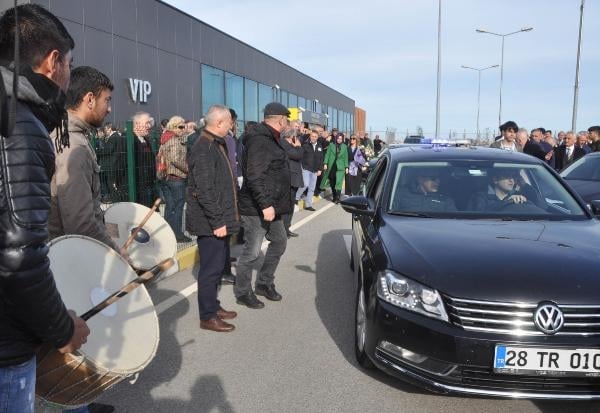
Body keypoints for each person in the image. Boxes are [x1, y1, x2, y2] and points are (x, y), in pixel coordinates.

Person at [0, 4, 90, 413]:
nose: (69, 74)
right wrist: (62, 329)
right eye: (69, 64)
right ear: (53, 62)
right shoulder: (18, 126)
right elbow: (19, 256)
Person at [186, 105, 239, 332]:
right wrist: (217, 222)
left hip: (218, 219)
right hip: (210, 223)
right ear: (218, 123)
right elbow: (204, 190)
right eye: (229, 122)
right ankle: (207, 316)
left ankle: (214, 306)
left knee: (217, 267)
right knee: (210, 270)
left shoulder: (214, 143)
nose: (232, 125)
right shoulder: (204, 147)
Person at [235, 102, 291, 308]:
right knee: (251, 252)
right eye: (287, 118)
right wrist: (266, 205)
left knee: (279, 241)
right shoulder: (260, 140)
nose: (288, 122)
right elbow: (254, 175)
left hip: (272, 206)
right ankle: (242, 292)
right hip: (257, 207)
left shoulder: (272, 139)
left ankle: (264, 283)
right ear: (281, 119)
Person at [158, 115, 190, 242]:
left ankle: (167, 233)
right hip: (176, 177)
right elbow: (176, 160)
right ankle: (177, 234)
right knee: (177, 207)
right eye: (181, 127)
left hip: (167, 177)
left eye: (184, 126)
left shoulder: (165, 138)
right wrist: (188, 169)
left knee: (170, 206)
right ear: (174, 127)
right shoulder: (175, 140)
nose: (183, 129)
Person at [392, 168, 456, 212]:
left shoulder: (445, 199)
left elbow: (454, 220)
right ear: (420, 179)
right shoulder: (400, 194)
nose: (437, 181)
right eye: (433, 178)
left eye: (439, 178)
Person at [280, 127, 304, 238]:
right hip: (289, 180)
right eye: (295, 136)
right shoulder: (284, 144)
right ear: (292, 137)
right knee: (287, 206)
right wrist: (298, 146)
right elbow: (297, 155)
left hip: (292, 179)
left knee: (290, 206)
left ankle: (286, 228)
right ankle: (283, 230)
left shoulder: (288, 145)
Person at [132, 111, 156, 207]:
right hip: (136, 188)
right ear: (137, 124)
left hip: (148, 186)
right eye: (146, 123)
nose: (149, 126)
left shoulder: (146, 140)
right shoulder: (128, 140)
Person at [295, 129, 323, 211]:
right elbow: (300, 155)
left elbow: (321, 158)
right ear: (310, 137)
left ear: (317, 137)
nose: (314, 138)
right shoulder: (305, 145)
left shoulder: (319, 146)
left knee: (311, 188)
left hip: (315, 170)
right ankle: (296, 198)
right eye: (312, 136)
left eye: (315, 136)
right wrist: (301, 166)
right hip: (306, 168)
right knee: (305, 184)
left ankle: (308, 205)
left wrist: (320, 169)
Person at [320, 133, 349, 203]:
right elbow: (327, 154)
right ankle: (334, 195)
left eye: (340, 139)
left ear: (342, 139)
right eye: (338, 138)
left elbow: (345, 157)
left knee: (339, 181)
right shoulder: (331, 145)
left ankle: (338, 197)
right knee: (332, 182)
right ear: (336, 138)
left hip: (340, 167)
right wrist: (325, 163)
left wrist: (346, 167)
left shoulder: (344, 146)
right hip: (332, 166)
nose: (339, 140)